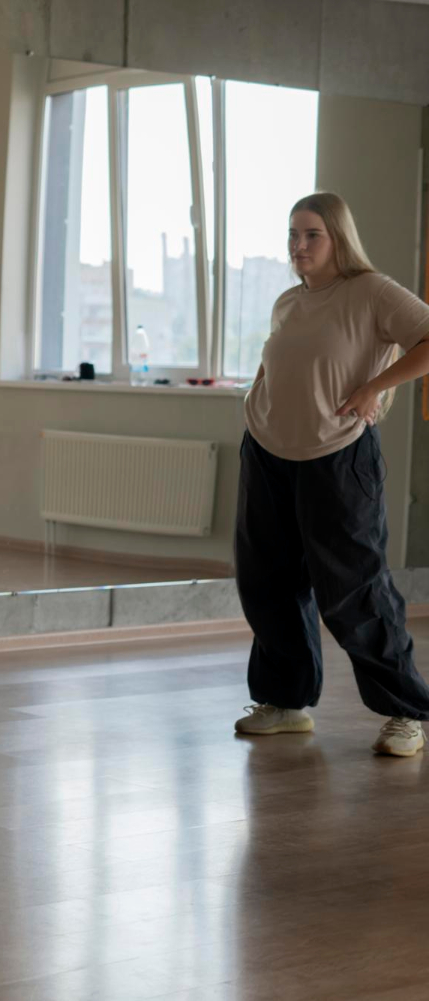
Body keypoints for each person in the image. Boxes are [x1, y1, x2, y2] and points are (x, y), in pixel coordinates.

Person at [235, 192, 429, 757]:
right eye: (292, 233)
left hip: (337, 456)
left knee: (354, 591)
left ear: (338, 236)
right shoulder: (288, 302)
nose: (298, 245)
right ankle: (285, 702)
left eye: (311, 234)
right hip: (267, 451)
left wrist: (375, 387)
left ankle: (406, 712)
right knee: (267, 583)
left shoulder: (370, 292)